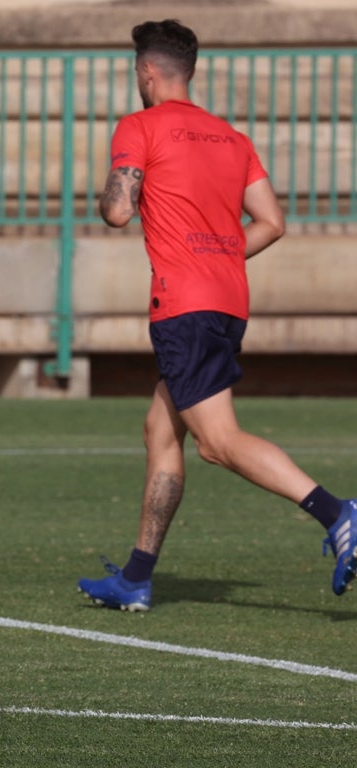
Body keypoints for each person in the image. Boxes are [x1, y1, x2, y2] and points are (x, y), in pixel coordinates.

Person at [78, 19, 356, 611]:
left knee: (218, 442)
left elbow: (118, 212)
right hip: (229, 300)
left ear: (148, 73)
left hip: (184, 306)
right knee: (161, 428)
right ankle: (136, 575)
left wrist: (113, 191)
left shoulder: (140, 126)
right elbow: (272, 222)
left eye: (136, 71)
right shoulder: (231, 138)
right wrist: (221, 249)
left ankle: (338, 513)